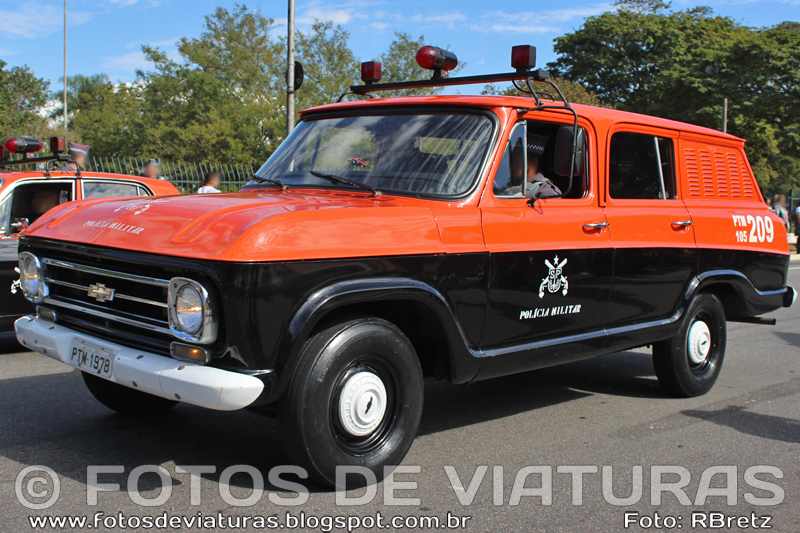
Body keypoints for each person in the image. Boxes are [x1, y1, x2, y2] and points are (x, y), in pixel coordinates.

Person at [502, 134, 562, 199]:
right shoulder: (513, 187)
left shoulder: (547, 193)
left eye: (512, 159)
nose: (506, 163)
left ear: (528, 162)